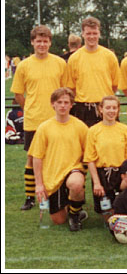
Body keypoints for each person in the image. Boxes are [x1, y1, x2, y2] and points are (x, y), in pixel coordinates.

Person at [10, 25, 67, 210]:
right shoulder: (24, 65)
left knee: (57, 157)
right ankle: (30, 196)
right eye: (38, 41)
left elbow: (65, 91)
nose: (42, 44)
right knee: (32, 158)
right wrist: (29, 108)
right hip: (34, 120)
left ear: (50, 42)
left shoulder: (59, 63)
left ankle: (56, 192)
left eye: (45, 41)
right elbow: (18, 93)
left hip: (56, 119)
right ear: (33, 42)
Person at [28, 88, 88, 231]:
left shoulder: (80, 126)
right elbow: (37, 157)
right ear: (52, 104)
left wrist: (84, 172)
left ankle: (74, 214)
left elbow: (89, 153)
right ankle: (74, 208)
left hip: (73, 171)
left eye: (66, 102)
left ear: (71, 105)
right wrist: (39, 184)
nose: (62, 105)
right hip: (52, 177)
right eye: (59, 102)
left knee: (75, 184)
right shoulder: (44, 128)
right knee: (58, 220)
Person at [84, 95, 127, 222]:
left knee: (122, 210)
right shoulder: (93, 131)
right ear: (101, 109)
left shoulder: (125, 130)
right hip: (102, 174)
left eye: (114, 108)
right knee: (108, 216)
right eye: (108, 108)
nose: (111, 111)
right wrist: (96, 183)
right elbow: (90, 159)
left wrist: (126, 179)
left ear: (118, 110)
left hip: (121, 173)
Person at [67, 16, 122, 127]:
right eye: (88, 33)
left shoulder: (109, 56)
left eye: (94, 33)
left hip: (105, 108)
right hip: (83, 109)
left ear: (99, 33)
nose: (91, 37)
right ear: (82, 34)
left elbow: (115, 85)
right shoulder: (74, 58)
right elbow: (71, 87)